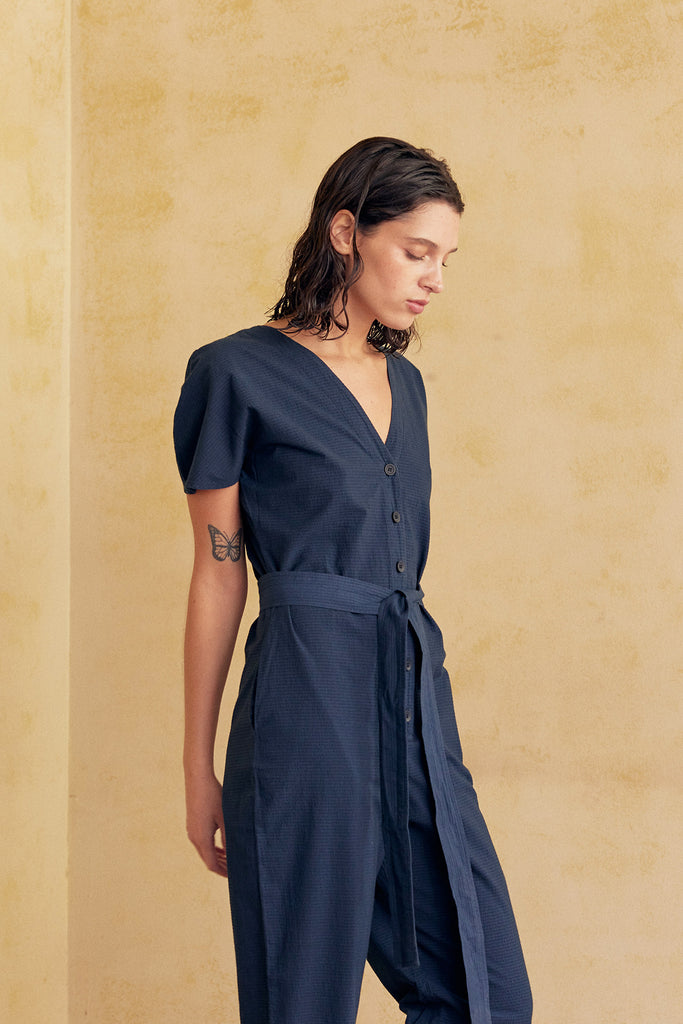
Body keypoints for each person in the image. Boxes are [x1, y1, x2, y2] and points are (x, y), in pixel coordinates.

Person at [173, 137, 533, 1024]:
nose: (434, 279)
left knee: (486, 996)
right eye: (416, 251)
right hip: (303, 706)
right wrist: (197, 765)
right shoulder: (234, 373)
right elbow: (217, 576)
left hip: (413, 702)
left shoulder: (405, 385)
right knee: (301, 997)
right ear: (346, 233)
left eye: (445, 259)